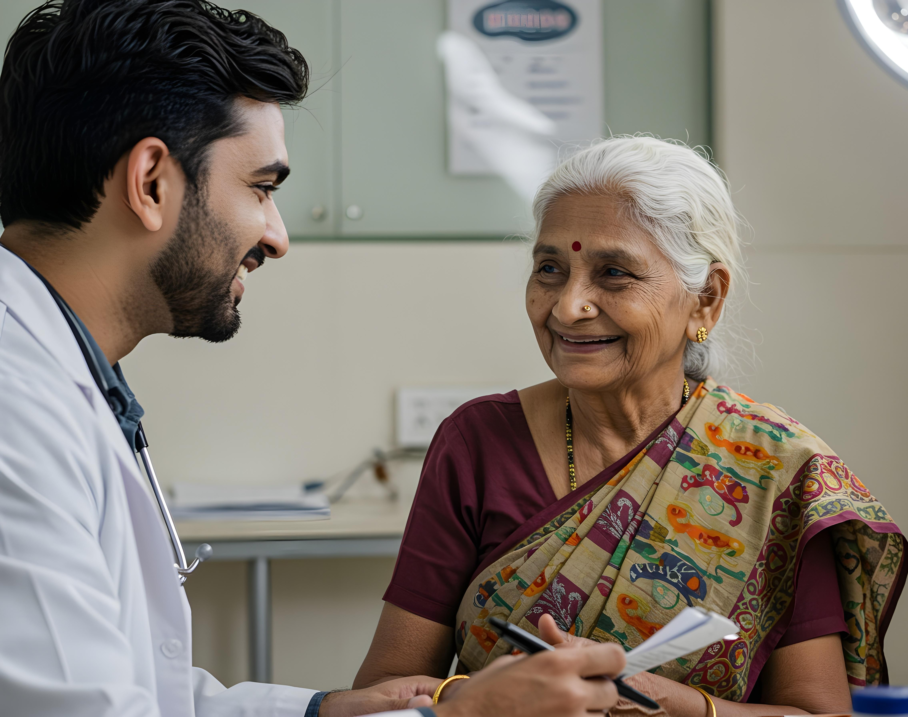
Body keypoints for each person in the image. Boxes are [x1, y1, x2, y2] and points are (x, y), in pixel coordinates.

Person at [0, 1, 628, 716]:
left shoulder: (58, 373)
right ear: (151, 183)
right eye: (261, 188)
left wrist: (320, 709)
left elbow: (146, 690)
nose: (277, 235)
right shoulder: (16, 408)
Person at [355, 137, 908, 716]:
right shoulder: (479, 443)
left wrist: (674, 704)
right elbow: (381, 694)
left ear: (707, 300)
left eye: (614, 274)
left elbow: (821, 715)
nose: (569, 305)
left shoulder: (776, 473)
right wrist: (485, 699)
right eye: (550, 269)